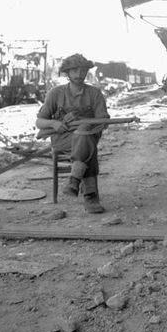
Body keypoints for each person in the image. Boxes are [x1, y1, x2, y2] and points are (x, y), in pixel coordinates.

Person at [36, 54, 110, 214]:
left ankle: (74, 180)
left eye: (82, 70)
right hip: (63, 139)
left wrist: (86, 124)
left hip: (88, 136)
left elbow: (103, 122)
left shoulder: (95, 94)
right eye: (74, 71)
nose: (79, 75)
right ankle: (90, 198)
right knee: (87, 147)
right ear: (67, 73)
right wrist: (54, 123)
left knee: (84, 134)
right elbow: (39, 122)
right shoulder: (56, 93)